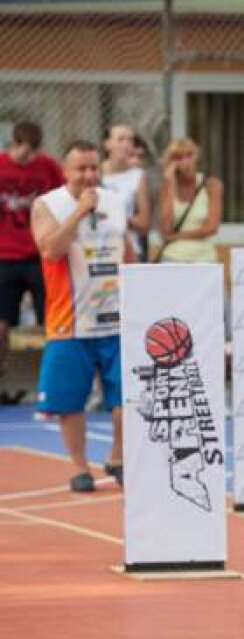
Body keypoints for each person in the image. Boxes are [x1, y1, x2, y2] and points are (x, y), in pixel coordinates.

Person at [30, 140, 131, 491]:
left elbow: (128, 250)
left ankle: (117, 456)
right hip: (69, 319)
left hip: (116, 317)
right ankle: (79, 467)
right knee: (70, 402)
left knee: (127, 399)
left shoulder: (116, 202)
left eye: (93, 168)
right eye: (81, 169)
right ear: (65, 170)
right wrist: (78, 212)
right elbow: (50, 250)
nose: (88, 176)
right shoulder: (48, 205)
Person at [1, 121, 64, 401]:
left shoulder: (48, 167)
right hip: (5, 256)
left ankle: (51, 383)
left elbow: (63, 200)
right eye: (25, 152)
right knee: (3, 323)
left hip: (39, 256)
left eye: (34, 152)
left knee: (51, 320)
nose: (29, 159)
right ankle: (3, 383)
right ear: (14, 143)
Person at [157, 138, 223, 264]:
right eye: (178, 158)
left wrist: (177, 236)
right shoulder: (166, 187)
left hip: (205, 257)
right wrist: (170, 184)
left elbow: (212, 228)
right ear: (171, 163)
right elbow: (166, 229)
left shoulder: (211, 185)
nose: (185, 162)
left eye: (189, 155)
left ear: (196, 157)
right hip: (173, 257)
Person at [100, 123, 151, 260]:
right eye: (121, 139)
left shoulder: (137, 175)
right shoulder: (95, 173)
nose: (126, 144)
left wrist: (114, 216)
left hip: (129, 249)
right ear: (107, 144)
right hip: (99, 248)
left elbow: (144, 222)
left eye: (130, 140)